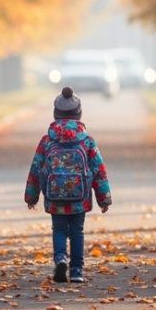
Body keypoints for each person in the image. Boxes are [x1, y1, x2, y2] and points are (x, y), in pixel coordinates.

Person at [24, 86, 112, 283]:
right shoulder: (87, 141)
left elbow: (36, 168)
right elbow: (99, 170)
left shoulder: (47, 140)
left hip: (55, 197)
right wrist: (104, 198)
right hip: (80, 198)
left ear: (55, 114)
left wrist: (31, 196)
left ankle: (61, 259)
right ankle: (77, 271)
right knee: (77, 232)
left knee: (59, 229)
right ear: (79, 115)